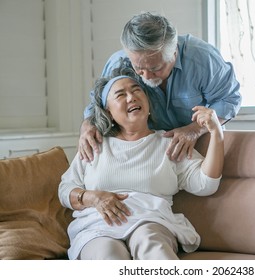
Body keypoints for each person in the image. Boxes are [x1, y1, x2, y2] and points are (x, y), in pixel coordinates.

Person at [58, 64, 224, 260]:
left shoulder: (169, 143)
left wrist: (216, 133)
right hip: (98, 226)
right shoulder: (95, 145)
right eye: (120, 95)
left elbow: (206, 184)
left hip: (151, 221)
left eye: (136, 90)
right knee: (107, 255)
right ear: (108, 111)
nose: (131, 97)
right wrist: (93, 198)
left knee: (151, 244)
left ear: (148, 103)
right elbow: (65, 189)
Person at [79, 11, 241, 162]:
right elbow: (97, 106)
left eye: (155, 68)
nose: (146, 76)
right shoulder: (118, 63)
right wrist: (87, 126)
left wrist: (194, 130)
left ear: (174, 53)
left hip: (201, 143)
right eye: (138, 68)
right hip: (149, 152)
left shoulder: (203, 59)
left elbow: (229, 100)